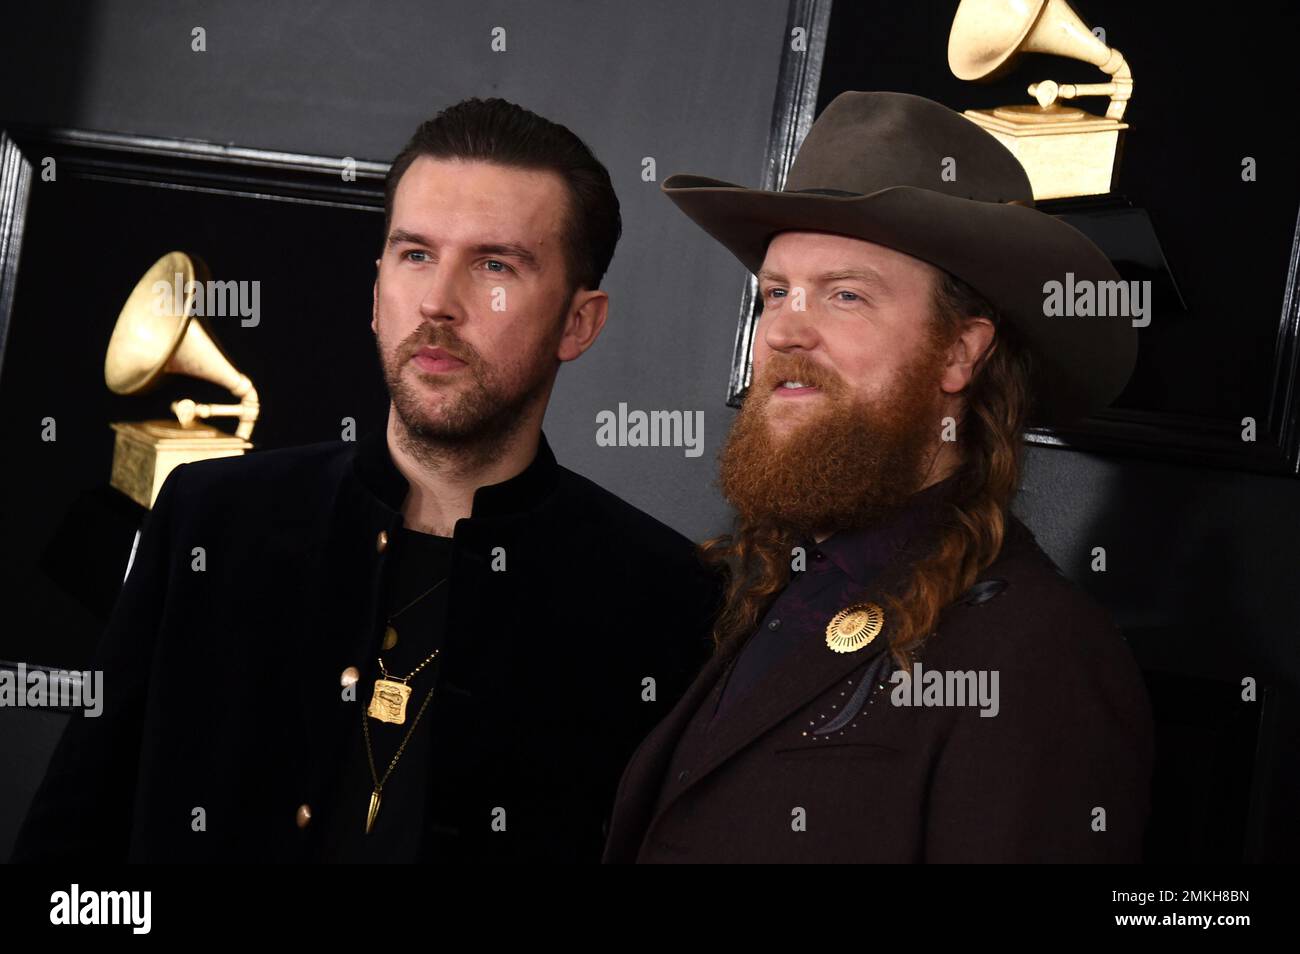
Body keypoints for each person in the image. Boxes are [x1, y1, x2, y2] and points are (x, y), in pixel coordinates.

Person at [12, 97, 719, 863]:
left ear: (579, 323)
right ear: (377, 286)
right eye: (415, 254)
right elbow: (69, 848)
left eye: (494, 266)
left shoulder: (668, 598)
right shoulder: (207, 518)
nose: (438, 304)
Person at [603, 90, 1154, 863]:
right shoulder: (768, 586)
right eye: (775, 293)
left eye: (845, 295)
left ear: (961, 353)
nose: (787, 329)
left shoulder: (1042, 657)